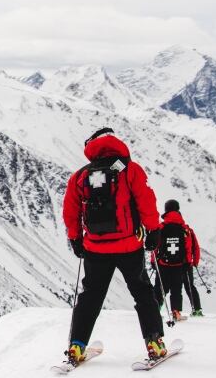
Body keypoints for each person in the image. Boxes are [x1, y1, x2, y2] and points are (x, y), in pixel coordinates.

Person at [63, 127, 167, 365]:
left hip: (95, 248)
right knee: (143, 293)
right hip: (129, 246)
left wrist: (75, 238)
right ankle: (154, 342)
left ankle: (76, 346)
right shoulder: (129, 169)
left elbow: (71, 210)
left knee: (90, 297)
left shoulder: (80, 175)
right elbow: (146, 201)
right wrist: (154, 231)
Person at [151, 200, 201, 318]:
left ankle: (155, 311)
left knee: (159, 288)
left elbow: (155, 247)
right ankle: (176, 312)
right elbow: (191, 246)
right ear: (178, 210)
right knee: (176, 289)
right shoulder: (185, 228)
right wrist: (192, 263)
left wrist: (154, 262)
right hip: (180, 265)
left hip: (163, 264)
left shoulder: (161, 227)